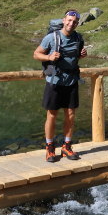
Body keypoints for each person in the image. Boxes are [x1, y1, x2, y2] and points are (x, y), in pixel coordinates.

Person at [33, 10, 87, 162]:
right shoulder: (51, 37)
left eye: (75, 22)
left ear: (77, 23)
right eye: (69, 20)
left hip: (71, 80)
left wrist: (82, 55)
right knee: (52, 115)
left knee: (70, 114)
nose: (71, 24)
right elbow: (36, 54)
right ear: (64, 20)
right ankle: (50, 147)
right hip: (54, 81)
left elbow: (76, 56)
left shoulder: (78, 38)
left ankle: (66, 146)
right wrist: (49, 56)